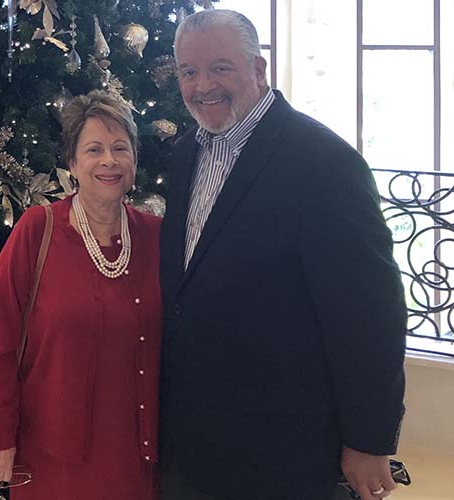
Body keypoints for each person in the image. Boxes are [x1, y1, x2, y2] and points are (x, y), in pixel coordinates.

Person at [159, 9, 407, 500]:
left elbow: (370, 315)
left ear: (259, 69)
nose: (203, 85)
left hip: (285, 449)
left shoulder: (325, 164)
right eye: (189, 72)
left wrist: (368, 440)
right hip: (192, 443)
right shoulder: (187, 152)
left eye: (220, 67)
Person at [0, 90, 162, 500]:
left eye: (120, 148)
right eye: (94, 149)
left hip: (137, 457)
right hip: (50, 458)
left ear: (134, 159)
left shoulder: (156, 236)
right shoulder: (36, 230)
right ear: (73, 163)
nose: (109, 161)